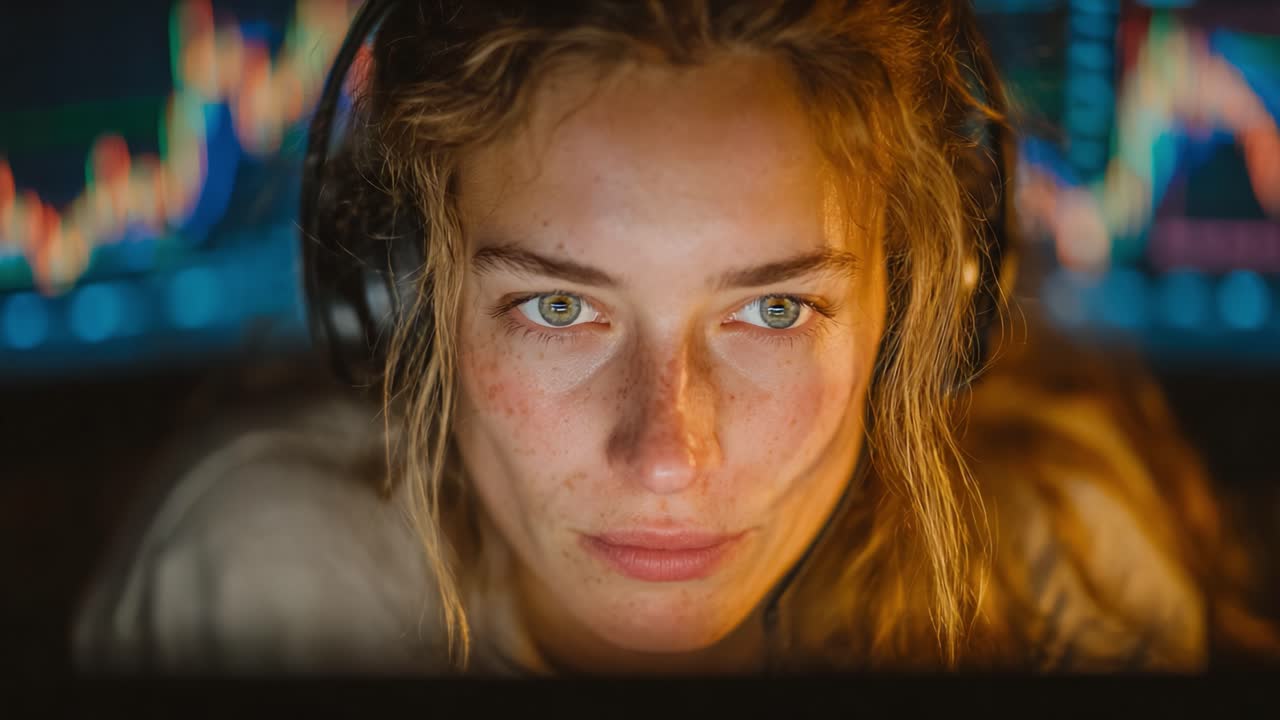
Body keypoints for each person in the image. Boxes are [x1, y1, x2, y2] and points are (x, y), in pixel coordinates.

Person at [73, 0, 1277, 675]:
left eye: (773, 309)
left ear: (911, 315)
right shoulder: (267, 594)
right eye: (557, 307)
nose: (665, 454)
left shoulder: (1055, 580)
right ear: (405, 296)